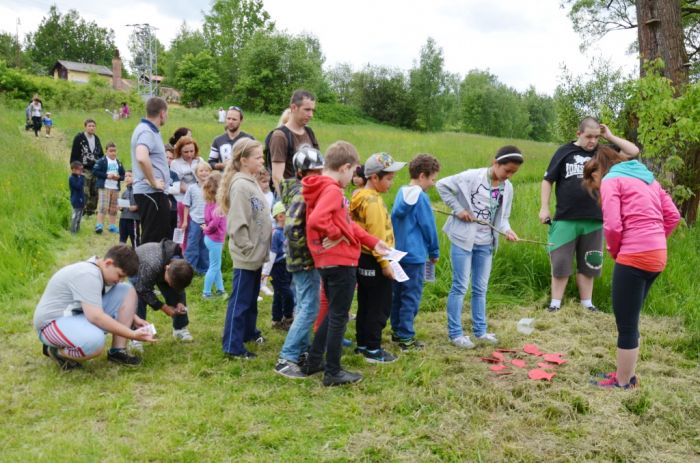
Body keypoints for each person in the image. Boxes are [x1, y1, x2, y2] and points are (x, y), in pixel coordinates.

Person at [582, 146, 680, 389]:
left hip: (634, 256)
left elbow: (613, 226)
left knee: (625, 324)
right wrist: (655, 239)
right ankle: (628, 374)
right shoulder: (648, 180)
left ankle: (623, 382)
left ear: (600, 170)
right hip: (657, 255)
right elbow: (673, 216)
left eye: (593, 181)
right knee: (631, 318)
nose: (596, 187)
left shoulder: (612, 180)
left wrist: (616, 251)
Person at [301, 141, 391, 386]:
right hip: (340, 262)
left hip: (328, 261)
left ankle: (314, 361)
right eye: (353, 172)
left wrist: (373, 242)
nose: (354, 177)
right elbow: (318, 221)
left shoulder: (320, 186)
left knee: (333, 312)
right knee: (339, 316)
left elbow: (347, 225)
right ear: (346, 167)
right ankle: (333, 371)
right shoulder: (331, 190)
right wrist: (334, 234)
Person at [539, 117, 639, 313]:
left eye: (596, 137)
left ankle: (587, 304)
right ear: (579, 134)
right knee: (560, 262)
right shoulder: (564, 152)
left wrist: (609, 136)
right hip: (566, 217)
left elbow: (633, 151)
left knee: (590, 262)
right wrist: (544, 207)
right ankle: (555, 304)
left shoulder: (603, 153)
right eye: (588, 137)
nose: (592, 141)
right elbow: (547, 180)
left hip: (595, 218)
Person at [437, 146, 523, 348]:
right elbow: (441, 185)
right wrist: (459, 210)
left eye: (513, 173)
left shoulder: (507, 188)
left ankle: (480, 331)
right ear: (496, 163)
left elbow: (503, 219)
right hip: (463, 240)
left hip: (486, 244)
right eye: (506, 170)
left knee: (480, 288)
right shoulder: (471, 177)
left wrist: (507, 231)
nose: (508, 176)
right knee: (460, 286)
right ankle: (455, 334)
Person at [34, 244, 154, 369]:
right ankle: (56, 351)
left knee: (127, 290)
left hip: (75, 316)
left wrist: (134, 318)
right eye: (120, 275)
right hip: (50, 324)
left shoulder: (99, 269)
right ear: (108, 263)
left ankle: (117, 351)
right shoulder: (88, 275)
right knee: (94, 343)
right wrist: (132, 334)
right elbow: (96, 317)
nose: (120, 280)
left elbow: (93, 301)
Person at [350, 153, 407, 364]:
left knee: (365, 303)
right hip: (376, 260)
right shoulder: (372, 202)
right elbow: (375, 237)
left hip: (362, 259)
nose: (391, 183)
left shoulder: (359, 196)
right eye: (389, 178)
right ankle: (373, 349)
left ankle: (362, 344)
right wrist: (385, 264)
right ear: (374, 178)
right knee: (379, 306)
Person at [274, 145, 325, 378]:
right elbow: (293, 228)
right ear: (300, 173)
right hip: (304, 261)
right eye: (312, 172)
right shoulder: (301, 194)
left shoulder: (305, 190)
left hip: (305, 259)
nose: (317, 176)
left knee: (307, 304)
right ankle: (287, 357)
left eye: (320, 171)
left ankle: (303, 351)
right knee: (309, 307)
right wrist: (307, 257)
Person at [219, 139, 272, 359]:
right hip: (247, 255)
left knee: (250, 298)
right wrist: (248, 248)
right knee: (241, 300)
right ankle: (233, 344)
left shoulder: (250, 182)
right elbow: (237, 222)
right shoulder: (241, 185)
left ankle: (249, 332)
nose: (262, 160)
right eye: (258, 157)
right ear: (244, 160)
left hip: (256, 255)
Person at [390, 154, 441, 351]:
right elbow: (429, 227)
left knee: (398, 294)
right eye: (432, 179)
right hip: (415, 256)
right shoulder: (421, 197)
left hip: (397, 254)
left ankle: (397, 330)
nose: (433, 183)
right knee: (411, 296)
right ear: (422, 176)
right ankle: (406, 337)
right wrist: (434, 250)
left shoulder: (400, 192)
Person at [131, 240, 195, 349]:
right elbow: (143, 290)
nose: (170, 285)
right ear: (167, 268)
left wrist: (180, 301)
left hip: (158, 268)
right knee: (139, 298)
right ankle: (136, 337)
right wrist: (164, 307)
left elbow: (180, 285)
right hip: (137, 268)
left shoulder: (180, 263)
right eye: (170, 282)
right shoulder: (151, 265)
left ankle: (180, 328)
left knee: (175, 292)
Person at [131, 97, 172, 244]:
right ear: (162, 113)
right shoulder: (147, 131)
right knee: (152, 240)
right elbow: (142, 156)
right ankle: (146, 267)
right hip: (150, 192)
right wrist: (154, 181)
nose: (166, 116)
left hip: (155, 194)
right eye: (166, 113)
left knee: (160, 237)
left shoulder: (149, 130)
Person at [268, 90, 320, 193]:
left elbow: (318, 166)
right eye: (307, 110)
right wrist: (290, 203)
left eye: (312, 110)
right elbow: (277, 177)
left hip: (309, 194)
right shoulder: (280, 136)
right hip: (290, 197)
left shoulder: (309, 132)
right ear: (293, 108)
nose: (311, 115)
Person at [170, 136, 206, 252]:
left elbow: (206, 176)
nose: (189, 154)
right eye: (186, 152)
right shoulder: (175, 163)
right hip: (183, 199)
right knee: (184, 225)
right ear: (180, 151)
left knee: (198, 226)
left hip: (199, 200)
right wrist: (194, 192)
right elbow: (178, 184)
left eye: (192, 151)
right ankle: (182, 251)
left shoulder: (199, 160)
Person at [181, 162, 212, 274]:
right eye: (201, 171)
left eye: (206, 170)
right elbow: (187, 205)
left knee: (205, 246)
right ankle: (189, 269)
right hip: (195, 221)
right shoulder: (192, 188)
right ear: (196, 173)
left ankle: (203, 269)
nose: (204, 173)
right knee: (192, 244)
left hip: (208, 222)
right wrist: (185, 221)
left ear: (210, 172)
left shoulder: (212, 188)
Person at [70, 118, 104, 216]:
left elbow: (100, 154)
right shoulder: (79, 138)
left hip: (95, 169)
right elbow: (74, 153)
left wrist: (103, 165)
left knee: (95, 191)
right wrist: (74, 168)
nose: (91, 128)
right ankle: (81, 211)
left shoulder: (96, 138)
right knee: (84, 191)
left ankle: (90, 211)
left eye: (93, 126)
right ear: (85, 127)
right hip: (83, 168)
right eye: (89, 126)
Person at [269, 201, 295, 329]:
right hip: (277, 268)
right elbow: (272, 254)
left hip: (287, 267)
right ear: (280, 217)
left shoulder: (288, 231)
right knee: (288, 293)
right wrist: (266, 272)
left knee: (279, 293)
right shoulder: (276, 234)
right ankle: (288, 317)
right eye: (288, 214)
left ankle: (276, 320)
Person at [202, 172, 226, 298]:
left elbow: (207, 220)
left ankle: (221, 289)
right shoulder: (218, 206)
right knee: (214, 266)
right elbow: (215, 223)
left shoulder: (208, 204)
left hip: (210, 239)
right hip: (215, 239)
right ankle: (206, 292)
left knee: (216, 265)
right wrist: (207, 229)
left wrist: (206, 229)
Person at [93, 142, 126, 234]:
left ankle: (112, 226)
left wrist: (118, 177)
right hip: (105, 186)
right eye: (111, 151)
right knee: (103, 206)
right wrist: (107, 176)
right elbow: (95, 171)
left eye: (114, 151)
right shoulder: (101, 161)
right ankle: (99, 225)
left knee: (113, 208)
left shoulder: (118, 162)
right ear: (106, 151)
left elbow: (123, 175)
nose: (113, 153)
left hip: (115, 187)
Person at [208, 106, 254, 172]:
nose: (230, 122)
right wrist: (222, 165)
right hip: (225, 179)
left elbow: (257, 161)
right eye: (228, 118)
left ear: (241, 120)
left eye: (234, 119)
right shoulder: (217, 140)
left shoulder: (249, 140)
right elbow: (211, 163)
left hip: (244, 179)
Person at [119, 170, 140, 248]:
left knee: (135, 240)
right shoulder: (124, 192)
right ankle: (120, 258)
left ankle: (137, 256)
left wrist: (137, 207)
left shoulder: (138, 191)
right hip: (123, 218)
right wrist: (120, 207)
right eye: (126, 176)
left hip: (133, 219)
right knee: (122, 240)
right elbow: (123, 205)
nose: (127, 178)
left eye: (130, 176)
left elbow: (143, 204)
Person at [69, 161, 85, 234]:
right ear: (73, 170)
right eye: (80, 170)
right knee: (75, 215)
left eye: (82, 170)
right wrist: (81, 177)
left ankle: (77, 229)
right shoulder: (71, 178)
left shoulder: (79, 177)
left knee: (80, 216)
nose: (81, 171)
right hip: (75, 199)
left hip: (81, 199)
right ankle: (73, 230)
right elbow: (78, 186)